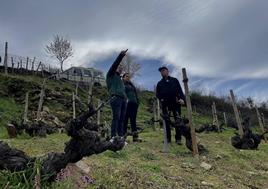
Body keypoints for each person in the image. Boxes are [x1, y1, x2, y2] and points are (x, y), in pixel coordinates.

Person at [156, 66, 185, 144]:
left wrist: (182, 99)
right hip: (165, 104)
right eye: (161, 71)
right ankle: (167, 139)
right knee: (166, 121)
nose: (162, 72)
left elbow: (180, 90)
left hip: (176, 103)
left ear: (167, 71)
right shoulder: (159, 83)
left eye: (163, 70)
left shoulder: (174, 80)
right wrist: (161, 100)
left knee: (178, 120)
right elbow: (157, 94)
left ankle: (178, 139)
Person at [106, 50, 128, 140]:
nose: (120, 68)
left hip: (123, 100)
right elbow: (115, 64)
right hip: (115, 98)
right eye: (119, 66)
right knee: (116, 118)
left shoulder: (120, 80)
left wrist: (126, 98)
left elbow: (123, 90)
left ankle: (121, 138)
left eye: (121, 67)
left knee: (122, 119)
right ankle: (113, 137)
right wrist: (121, 56)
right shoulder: (110, 75)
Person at [122, 73, 142, 142]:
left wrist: (137, 102)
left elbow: (135, 94)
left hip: (134, 104)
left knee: (133, 121)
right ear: (123, 77)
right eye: (126, 76)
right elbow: (122, 93)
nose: (128, 78)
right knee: (125, 120)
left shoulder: (131, 85)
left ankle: (135, 137)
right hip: (127, 105)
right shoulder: (122, 85)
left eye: (129, 77)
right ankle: (123, 138)